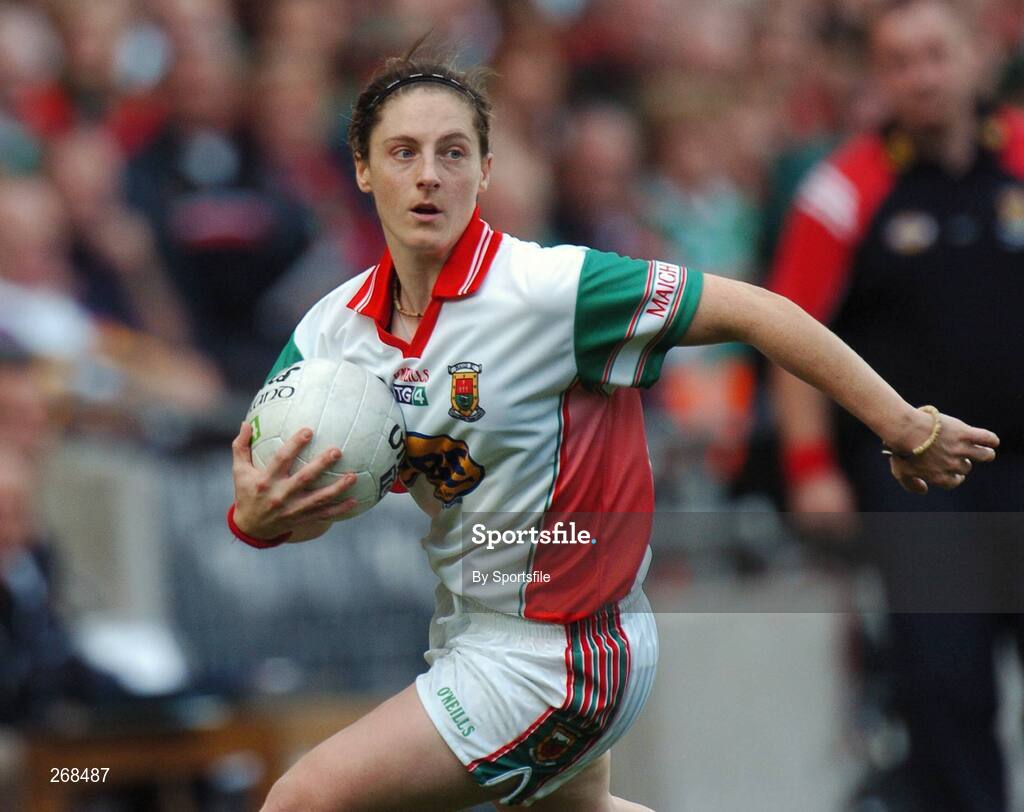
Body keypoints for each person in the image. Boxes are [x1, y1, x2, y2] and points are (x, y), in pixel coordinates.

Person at [228, 44, 999, 812]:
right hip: (472, 632)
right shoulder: (331, 333)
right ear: (362, 169)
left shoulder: (551, 291)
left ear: (486, 170)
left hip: (563, 655)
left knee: (304, 799)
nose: (429, 173)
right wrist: (257, 519)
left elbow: (761, 310)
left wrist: (903, 424)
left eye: (453, 151)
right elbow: (266, 498)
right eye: (403, 152)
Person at [768, 1, 1024, 809]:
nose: (922, 76)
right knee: (945, 690)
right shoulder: (842, 189)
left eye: (935, 55)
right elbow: (791, 335)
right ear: (880, 78)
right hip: (921, 490)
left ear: (977, 57)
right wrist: (811, 469)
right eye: (900, 61)